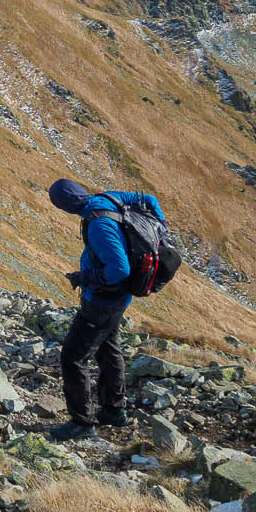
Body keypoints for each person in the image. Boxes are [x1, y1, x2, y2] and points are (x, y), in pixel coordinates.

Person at [45, 177, 164, 440]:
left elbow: (119, 270)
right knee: (109, 350)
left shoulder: (99, 225)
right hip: (118, 302)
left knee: (73, 358)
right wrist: (160, 229)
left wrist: (84, 278)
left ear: (64, 207)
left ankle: (82, 423)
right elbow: (150, 200)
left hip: (102, 302)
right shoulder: (108, 197)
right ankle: (113, 410)